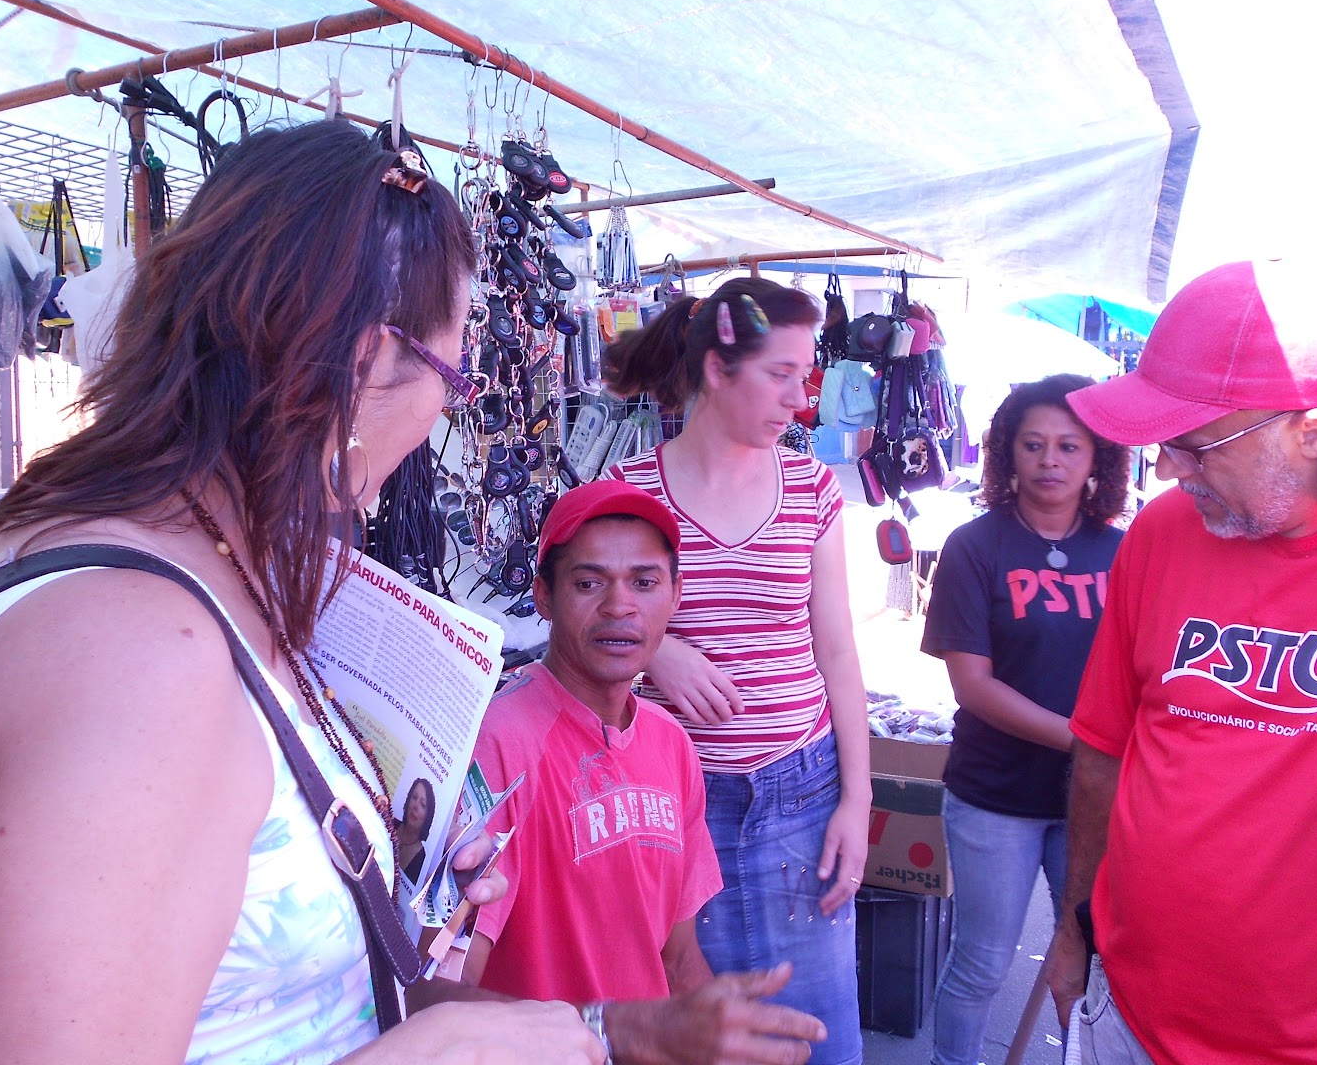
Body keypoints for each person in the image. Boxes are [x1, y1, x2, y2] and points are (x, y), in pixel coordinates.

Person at [0, 121, 601, 1065]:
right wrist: (437, 1051)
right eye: (453, 371)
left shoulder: (95, 541)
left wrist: (380, 901)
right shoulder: (137, 659)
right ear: (364, 364)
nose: (447, 408)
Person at [1039, 259, 1317, 1063]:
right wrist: (1073, 928)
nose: (1167, 469)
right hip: (1135, 1017)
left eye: (1193, 446)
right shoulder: (1162, 532)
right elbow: (1103, 752)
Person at [465, 479, 827, 1063]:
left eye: (644, 582)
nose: (619, 606)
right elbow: (441, 996)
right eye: (589, 583)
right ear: (544, 596)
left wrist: (723, 1036)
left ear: (676, 594)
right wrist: (609, 1033)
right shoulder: (498, 743)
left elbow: (677, 958)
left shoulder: (670, 743)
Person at [602, 277, 868, 1065]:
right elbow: (581, 625)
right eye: (780, 374)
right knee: (697, 1035)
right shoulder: (629, 492)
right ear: (718, 370)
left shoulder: (812, 487)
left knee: (817, 1040)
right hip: (681, 806)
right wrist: (655, 647)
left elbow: (838, 650)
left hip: (802, 795)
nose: (800, 397)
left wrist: (857, 801)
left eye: (805, 376)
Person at [920, 374, 1129, 1065]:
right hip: (995, 796)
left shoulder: (1124, 552)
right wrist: (1084, 740)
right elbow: (972, 686)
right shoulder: (974, 547)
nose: (1050, 461)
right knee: (982, 963)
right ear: (1008, 452)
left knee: (1093, 961)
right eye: (1033, 444)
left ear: (1097, 458)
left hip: (1092, 799)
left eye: (1069, 446)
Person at [398, 776, 437, 884]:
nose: (415, 806)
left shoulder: (421, 858)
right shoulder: (390, 823)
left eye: (423, 805)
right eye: (414, 797)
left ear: (428, 816)